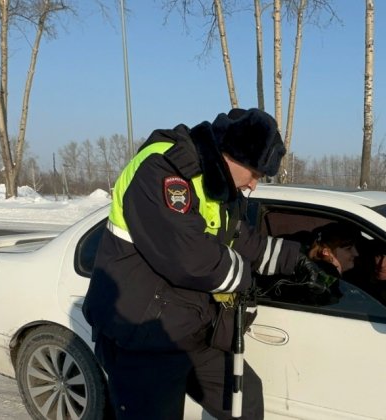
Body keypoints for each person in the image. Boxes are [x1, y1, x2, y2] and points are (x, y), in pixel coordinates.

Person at [82, 108, 330, 419]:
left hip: (190, 329)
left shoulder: (220, 186)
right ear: (232, 155)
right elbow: (190, 257)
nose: (254, 185)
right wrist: (249, 282)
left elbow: (242, 240)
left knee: (244, 399)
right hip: (142, 338)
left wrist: (299, 260)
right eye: (255, 173)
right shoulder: (164, 169)